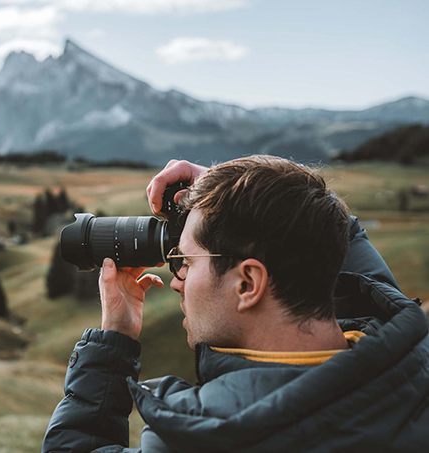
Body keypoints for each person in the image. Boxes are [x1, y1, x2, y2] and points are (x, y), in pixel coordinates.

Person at [41, 156, 429, 452]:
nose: (177, 281)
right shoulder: (404, 352)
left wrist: (115, 341)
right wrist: (228, 189)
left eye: (186, 263)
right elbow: (336, 228)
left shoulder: (202, 436)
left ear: (247, 283)